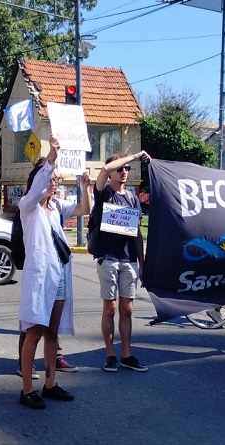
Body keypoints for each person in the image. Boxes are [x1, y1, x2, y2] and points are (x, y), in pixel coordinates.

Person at [18, 139, 91, 409]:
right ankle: (27, 389)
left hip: (59, 275)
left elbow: (85, 210)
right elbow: (39, 187)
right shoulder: (29, 206)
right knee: (34, 333)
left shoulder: (56, 208)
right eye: (51, 178)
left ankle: (49, 384)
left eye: (57, 179)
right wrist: (52, 156)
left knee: (52, 333)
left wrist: (85, 187)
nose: (54, 183)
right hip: (39, 279)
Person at [92, 151, 149, 372]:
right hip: (108, 258)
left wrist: (142, 264)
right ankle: (110, 355)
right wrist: (134, 156)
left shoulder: (133, 198)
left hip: (129, 260)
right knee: (110, 308)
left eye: (127, 169)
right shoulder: (104, 192)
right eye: (120, 168)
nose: (124, 172)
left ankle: (127, 354)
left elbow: (137, 233)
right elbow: (104, 171)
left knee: (127, 309)